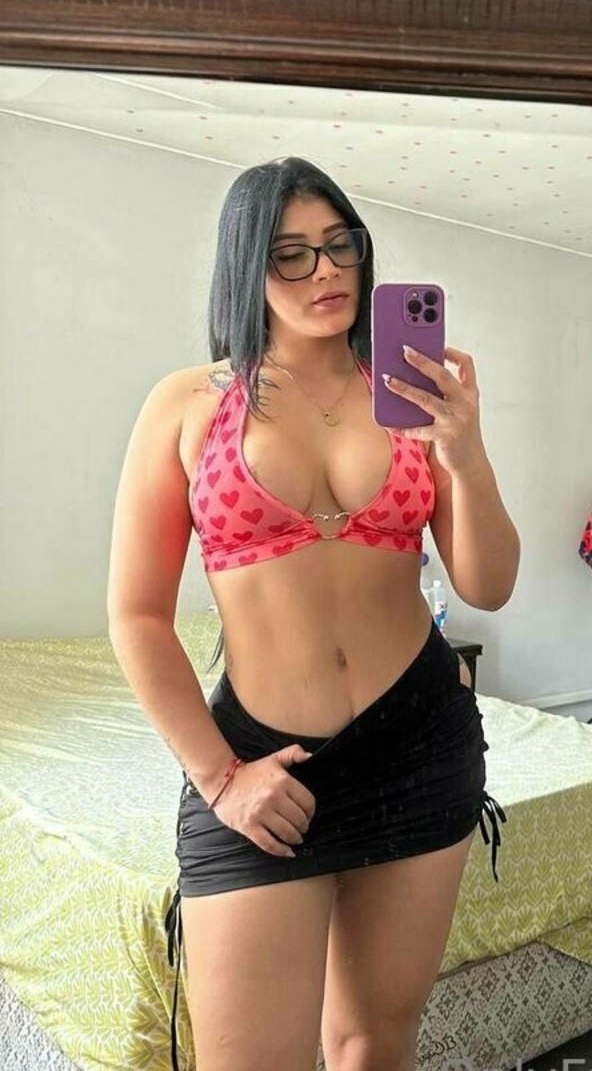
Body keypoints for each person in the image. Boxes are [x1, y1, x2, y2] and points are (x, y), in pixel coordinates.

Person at [106, 156, 519, 1071]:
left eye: (341, 245)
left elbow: (487, 584)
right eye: (290, 254)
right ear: (245, 266)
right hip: (262, 765)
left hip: (420, 740)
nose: (326, 271)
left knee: (374, 1044)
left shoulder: (411, 399)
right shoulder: (187, 406)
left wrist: (467, 453)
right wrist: (221, 779)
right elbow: (136, 616)